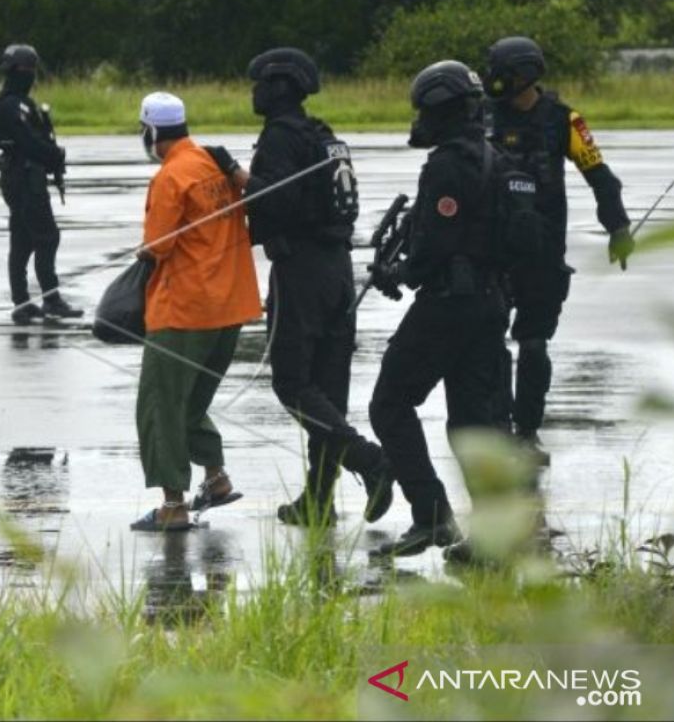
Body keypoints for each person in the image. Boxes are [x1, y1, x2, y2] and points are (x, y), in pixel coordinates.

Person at [226, 47, 392, 527]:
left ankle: (368, 461)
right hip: (338, 269)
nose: (254, 92)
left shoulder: (281, 137)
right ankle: (318, 501)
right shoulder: (324, 135)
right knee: (327, 389)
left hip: (302, 270)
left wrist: (235, 175)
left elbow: (274, 203)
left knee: (294, 383)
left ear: (279, 87)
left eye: (259, 84)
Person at [366, 60, 515, 557]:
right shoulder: (491, 156)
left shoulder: (447, 165)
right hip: (489, 304)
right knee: (471, 424)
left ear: (441, 110)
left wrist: (400, 273)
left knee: (389, 403)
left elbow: (435, 246)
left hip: (451, 306)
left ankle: (432, 517)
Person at [483, 36, 633, 460]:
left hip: (543, 255)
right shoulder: (482, 118)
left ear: (525, 75)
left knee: (532, 345)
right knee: (488, 343)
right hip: (493, 252)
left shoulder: (565, 121)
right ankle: (495, 429)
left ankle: (526, 434)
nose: (495, 82)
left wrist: (618, 227)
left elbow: (600, 176)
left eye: (503, 73)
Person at [130, 92, 263, 532]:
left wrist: (142, 250)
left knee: (160, 407)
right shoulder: (217, 166)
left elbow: (159, 246)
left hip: (184, 310)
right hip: (231, 307)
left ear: (151, 132)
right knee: (192, 403)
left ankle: (173, 506)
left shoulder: (171, 176)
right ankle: (216, 478)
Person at [0, 43, 82, 324]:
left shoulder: (5, 103)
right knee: (47, 236)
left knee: (22, 238)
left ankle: (22, 302)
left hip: (16, 176)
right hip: (25, 177)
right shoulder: (15, 105)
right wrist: (54, 155)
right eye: (30, 70)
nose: (32, 76)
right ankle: (51, 299)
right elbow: (30, 143)